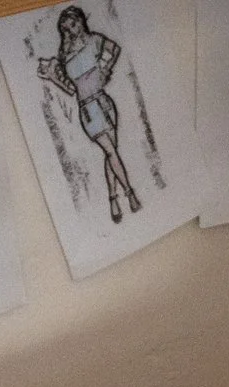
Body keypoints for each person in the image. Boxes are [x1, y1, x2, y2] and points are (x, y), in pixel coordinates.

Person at [39, 6, 141, 225]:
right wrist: (51, 77)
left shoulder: (94, 40)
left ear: (81, 22)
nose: (71, 30)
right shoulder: (65, 56)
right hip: (87, 110)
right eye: (66, 28)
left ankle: (112, 199)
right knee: (111, 150)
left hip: (104, 102)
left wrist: (104, 70)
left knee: (110, 154)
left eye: (74, 24)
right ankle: (130, 193)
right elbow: (70, 89)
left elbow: (114, 49)